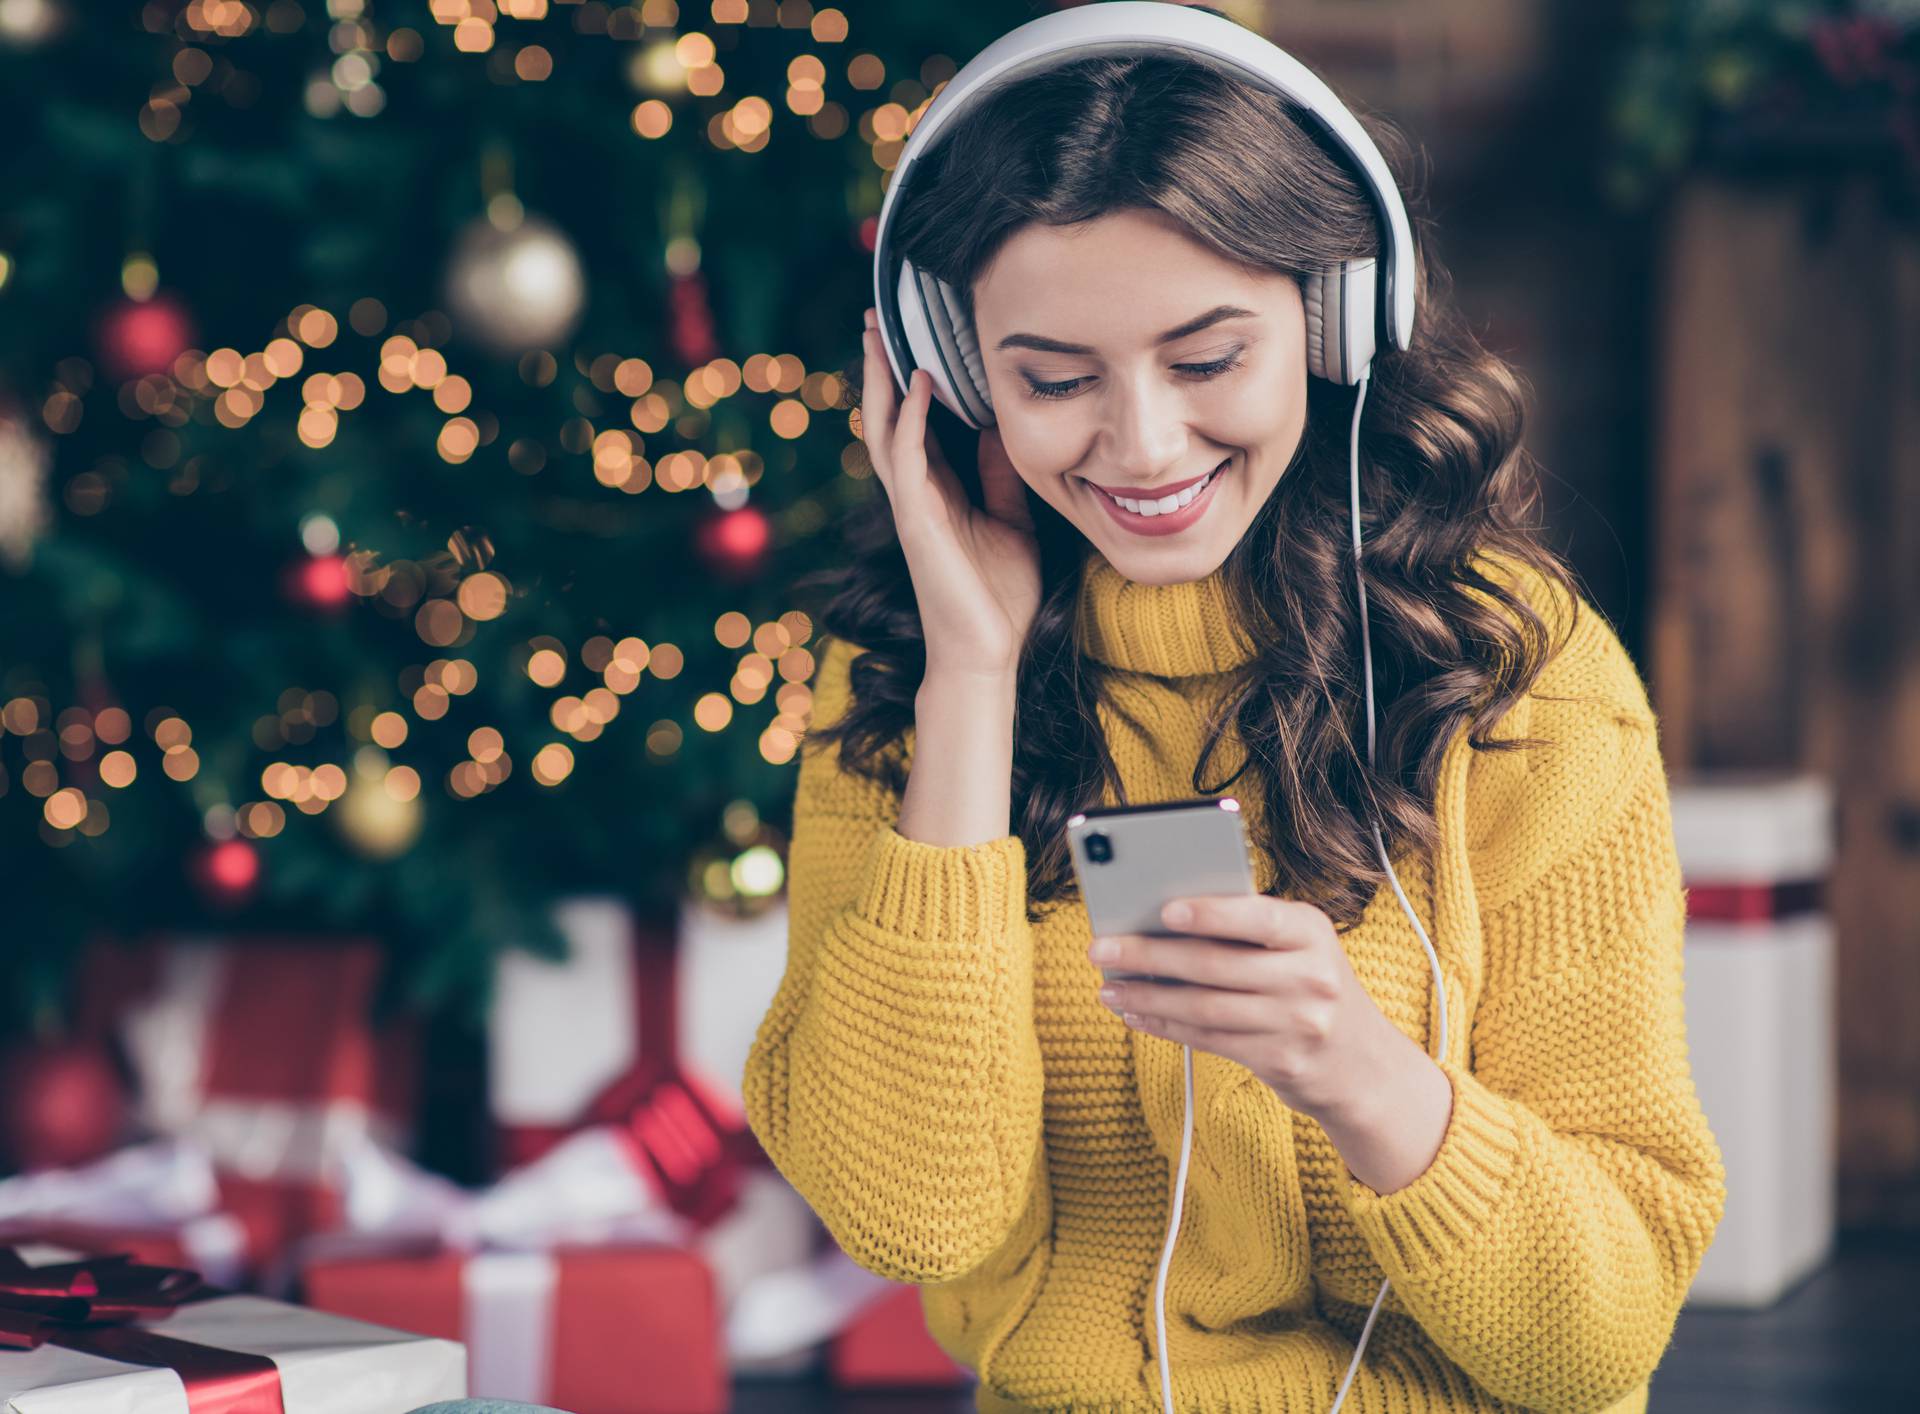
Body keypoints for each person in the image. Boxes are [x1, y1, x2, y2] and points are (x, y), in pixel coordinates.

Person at [742, 27, 1726, 1414]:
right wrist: (972, 674)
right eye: (1056, 379)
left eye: (1207, 358)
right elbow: (913, 1220)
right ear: (956, 376)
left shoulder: (1517, 669)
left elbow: (1599, 1342)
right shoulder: (906, 674)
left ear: (1333, 323)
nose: (1142, 448)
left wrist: (1361, 1073)